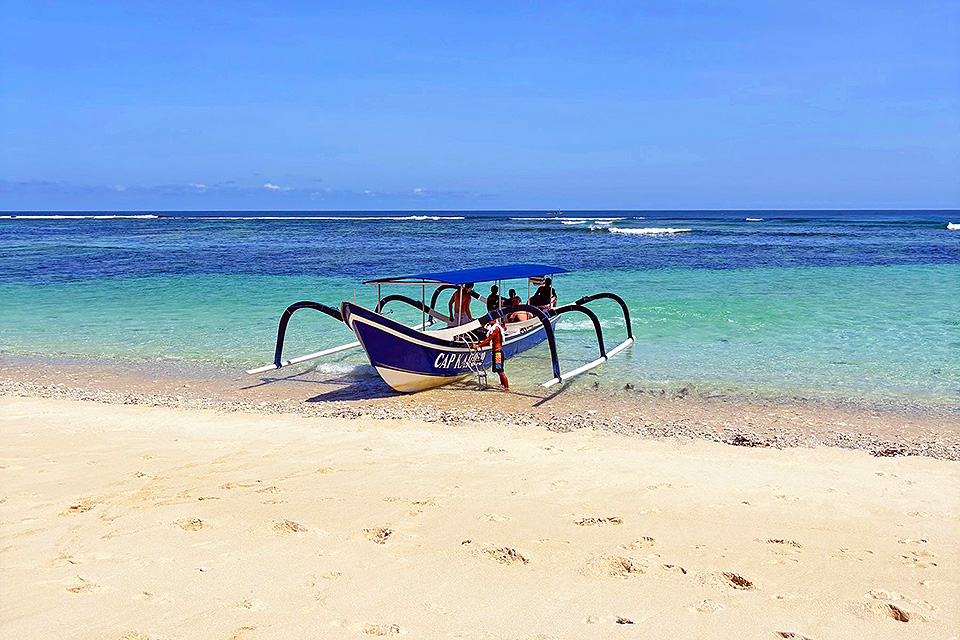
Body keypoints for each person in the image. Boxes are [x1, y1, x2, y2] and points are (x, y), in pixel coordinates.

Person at [474, 320, 508, 390]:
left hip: (498, 353)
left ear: (494, 320)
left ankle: (507, 388)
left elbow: (488, 339)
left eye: (491, 320)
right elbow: (488, 341)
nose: (489, 321)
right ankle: (502, 385)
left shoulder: (496, 329)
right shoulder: (494, 328)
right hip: (496, 352)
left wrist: (478, 346)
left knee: (500, 371)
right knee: (498, 371)